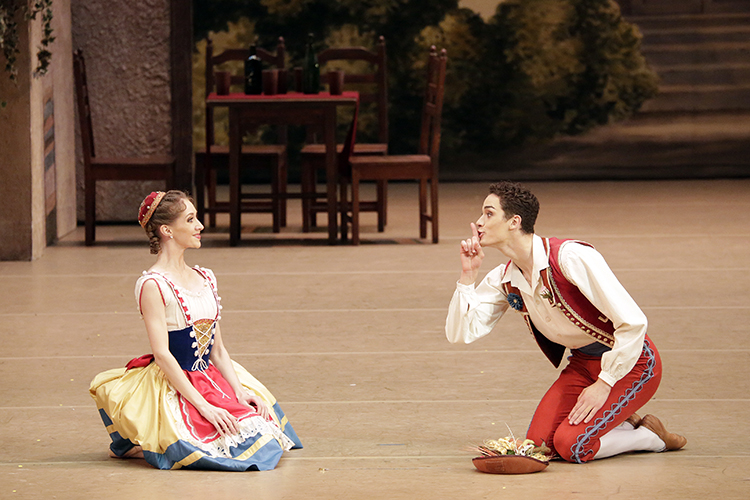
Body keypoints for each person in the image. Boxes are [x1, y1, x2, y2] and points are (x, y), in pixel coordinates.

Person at [445, 181, 686, 464]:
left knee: (572, 446)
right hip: (583, 364)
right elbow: (461, 333)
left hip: (631, 364)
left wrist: (605, 383)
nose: (479, 222)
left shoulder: (570, 257)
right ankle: (618, 421)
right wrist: (468, 277)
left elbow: (633, 322)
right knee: (539, 447)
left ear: (514, 222)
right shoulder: (505, 277)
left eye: (488, 214)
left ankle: (649, 437)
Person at [90, 190, 302, 470]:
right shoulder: (154, 285)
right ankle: (151, 444)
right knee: (236, 444)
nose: (200, 226)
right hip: (177, 383)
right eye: (190, 219)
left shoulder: (205, 277)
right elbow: (162, 354)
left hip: (209, 377)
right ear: (167, 230)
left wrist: (238, 392)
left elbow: (218, 350)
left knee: (262, 431)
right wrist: (204, 406)